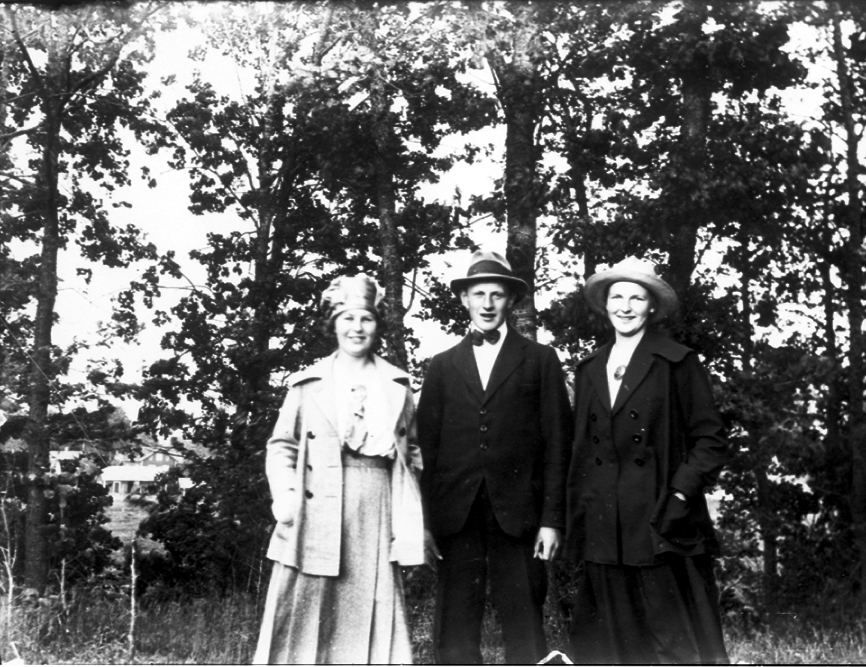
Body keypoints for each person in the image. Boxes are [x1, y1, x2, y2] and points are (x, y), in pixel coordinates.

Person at [253, 274, 425, 665]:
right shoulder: (307, 384)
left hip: (377, 505)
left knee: (371, 604)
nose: (356, 328)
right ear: (333, 324)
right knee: (308, 606)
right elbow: (281, 446)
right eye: (348, 318)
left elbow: (412, 450)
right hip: (317, 505)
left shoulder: (397, 384)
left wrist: (407, 504)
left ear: (377, 325)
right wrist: (286, 495)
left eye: (366, 318)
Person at [565, 256, 729, 664]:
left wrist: (680, 494)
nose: (625, 307)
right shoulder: (589, 368)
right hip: (605, 523)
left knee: (671, 642)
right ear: (605, 304)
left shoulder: (678, 361)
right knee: (612, 644)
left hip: (660, 520)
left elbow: (710, 439)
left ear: (652, 306)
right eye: (617, 297)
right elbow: (581, 449)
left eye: (636, 298)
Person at [417, 249, 573, 664]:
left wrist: (552, 520)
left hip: (519, 514)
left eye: (497, 294)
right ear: (464, 299)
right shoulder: (442, 366)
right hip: (455, 513)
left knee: (524, 621)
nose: (487, 304)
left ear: (511, 300)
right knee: (454, 626)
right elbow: (425, 451)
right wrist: (424, 523)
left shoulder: (540, 360)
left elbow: (558, 445)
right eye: (478, 294)